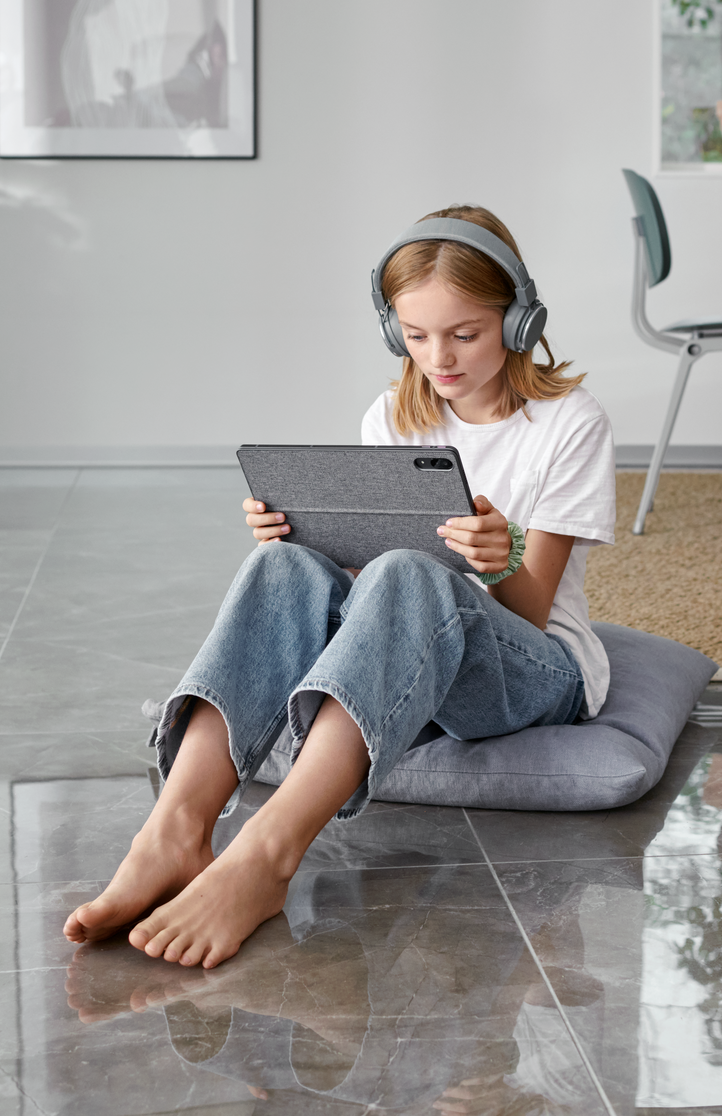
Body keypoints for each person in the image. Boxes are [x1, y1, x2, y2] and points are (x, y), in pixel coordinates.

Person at [64, 204, 616, 969]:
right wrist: (307, 542)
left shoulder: (570, 424)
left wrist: (497, 559)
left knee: (409, 572)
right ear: (394, 331)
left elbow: (528, 607)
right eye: (416, 336)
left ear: (518, 321)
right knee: (282, 566)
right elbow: (366, 599)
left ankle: (265, 855)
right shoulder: (392, 416)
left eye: (465, 333)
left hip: (535, 671)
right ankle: (172, 834)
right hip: (415, 657)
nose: (440, 357)